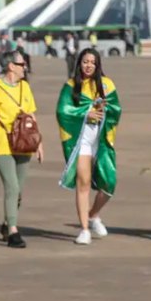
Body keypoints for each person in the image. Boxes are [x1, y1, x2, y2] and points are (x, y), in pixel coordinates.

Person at [56, 48, 121, 245]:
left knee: (109, 183)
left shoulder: (107, 84)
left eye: (92, 62)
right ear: (79, 64)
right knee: (82, 183)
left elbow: (116, 109)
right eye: (85, 61)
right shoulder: (71, 86)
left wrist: (104, 109)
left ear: (98, 64)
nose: (88, 65)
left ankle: (93, 215)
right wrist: (87, 113)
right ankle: (84, 229)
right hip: (81, 139)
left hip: (100, 139)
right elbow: (63, 111)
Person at [0, 50, 44, 248]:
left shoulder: (25, 87)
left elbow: (31, 115)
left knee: (19, 190)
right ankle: (13, 232)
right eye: (22, 64)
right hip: (2, 144)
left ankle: (7, 222)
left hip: (25, 143)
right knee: (12, 186)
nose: (25, 68)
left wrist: (39, 142)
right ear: (11, 66)